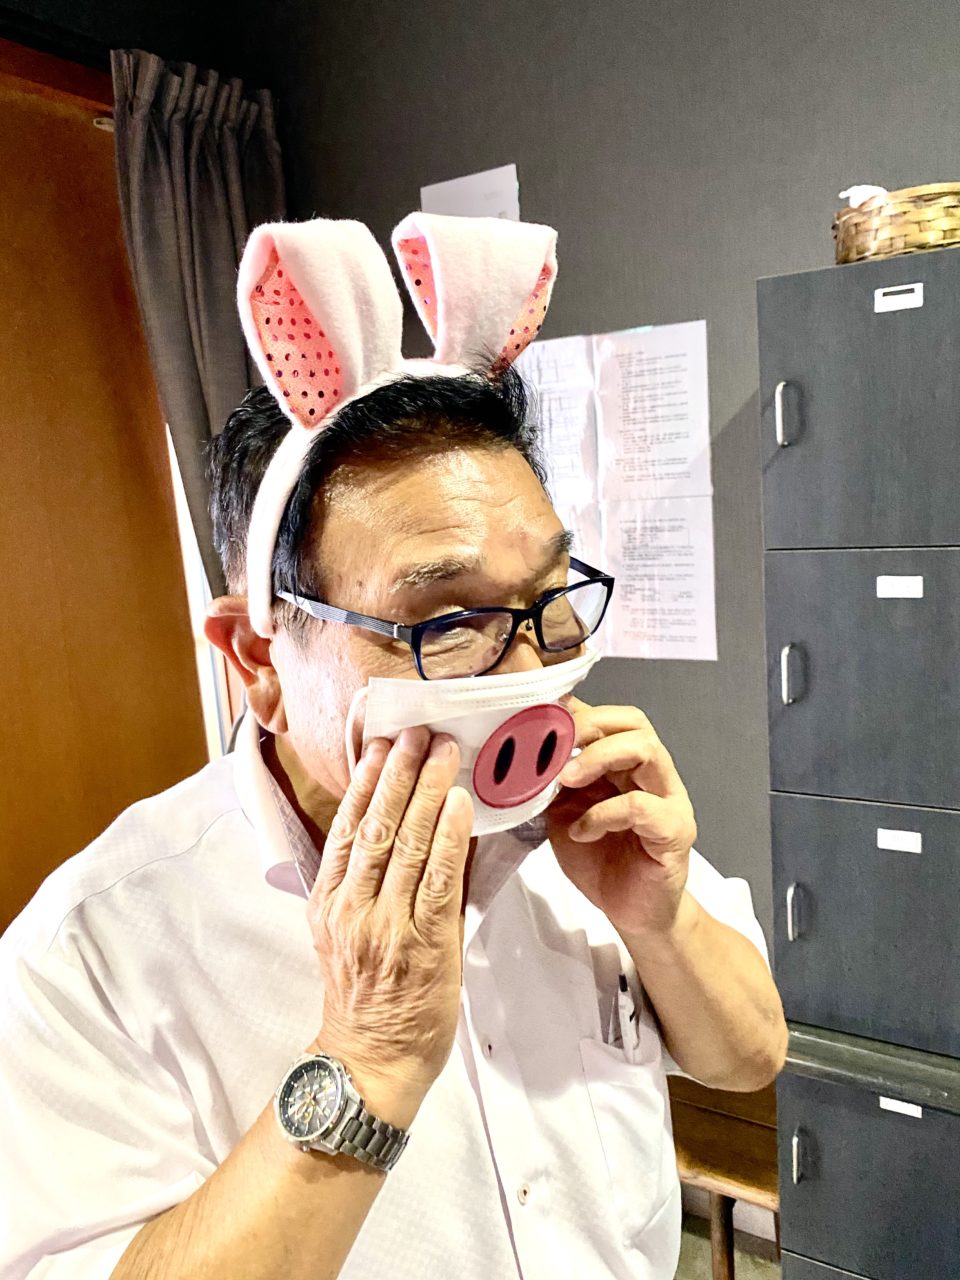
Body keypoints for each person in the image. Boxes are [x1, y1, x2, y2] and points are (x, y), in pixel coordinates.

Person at [0, 213, 786, 1280]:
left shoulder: (588, 826)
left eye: (551, 596)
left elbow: (750, 1055)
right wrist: (366, 1059)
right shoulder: (90, 956)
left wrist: (661, 916)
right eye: (449, 622)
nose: (529, 672)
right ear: (259, 661)